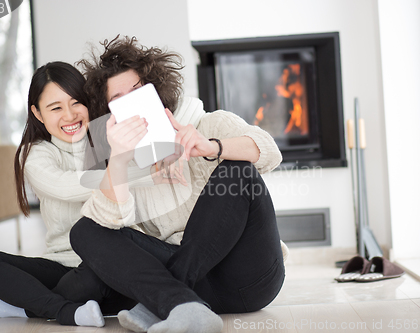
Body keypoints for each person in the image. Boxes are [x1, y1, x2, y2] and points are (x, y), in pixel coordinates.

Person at [71, 36, 287, 333]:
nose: (132, 104)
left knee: (238, 172)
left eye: (138, 91)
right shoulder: (120, 163)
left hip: (249, 277)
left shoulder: (209, 125)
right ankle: (181, 306)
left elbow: (270, 152)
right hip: (196, 290)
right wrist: (119, 161)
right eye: (119, 100)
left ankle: (160, 306)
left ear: (156, 91)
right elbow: (111, 223)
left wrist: (210, 147)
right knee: (86, 229)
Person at [0, 61, 136, 327]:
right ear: (37, 113)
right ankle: (65, 310)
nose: (69, 116)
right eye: (55, 108)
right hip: (59, 264)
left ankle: (30, 308)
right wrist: (118, 170)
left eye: (76, 102)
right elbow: (67, 185)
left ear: (88, 101)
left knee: (94, 277)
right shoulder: (35, 153)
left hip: (104, 263)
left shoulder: (108, 137)